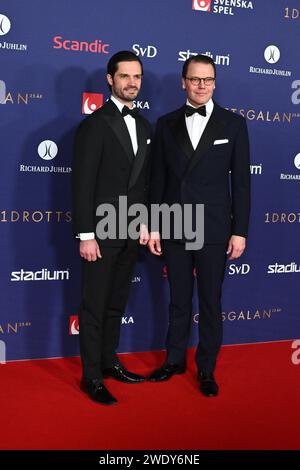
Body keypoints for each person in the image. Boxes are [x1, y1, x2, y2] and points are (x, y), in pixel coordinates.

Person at [148, 54, 250, 397]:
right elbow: (158, 179)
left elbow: (242, 184)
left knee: (209, 301)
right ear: (183, 82)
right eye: (195, 79)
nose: (201, 85)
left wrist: (240, 231)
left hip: (214, 227)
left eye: (207, 79)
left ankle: (206, 368)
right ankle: (174, 360)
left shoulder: (233, 124)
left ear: (215, 83)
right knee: (178, 300)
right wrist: (156, 224)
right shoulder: (165, 124)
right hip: (175, 224)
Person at [72, 51, 151, 405]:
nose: (131, 82)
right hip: (100, 234)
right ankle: (91, 377)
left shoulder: (146, 125)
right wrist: (86, 234)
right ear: (110, 80)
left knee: (116, 304)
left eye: (136, 77)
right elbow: (83, 183)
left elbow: (144, 185)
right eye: (124, 76)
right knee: (93, 305)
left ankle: (109, 362)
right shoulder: (94, 124)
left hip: (131, 231)